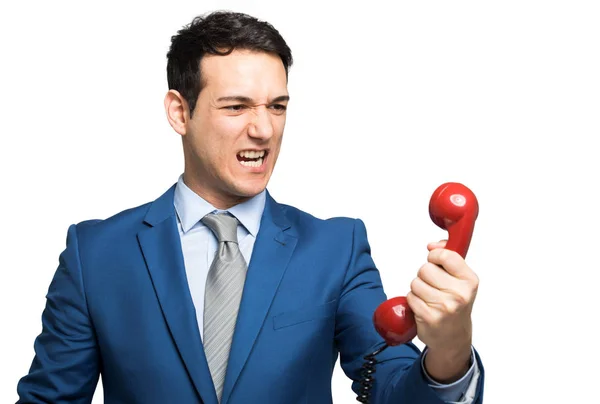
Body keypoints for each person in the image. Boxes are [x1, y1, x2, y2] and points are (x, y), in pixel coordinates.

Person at [16, 11, 484, 404]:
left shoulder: (336, 248)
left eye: (277, 107)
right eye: (237, 107)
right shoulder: (95, 253)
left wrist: (449, 349)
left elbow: (395, 386)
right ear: (180, 112)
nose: (264, 130)